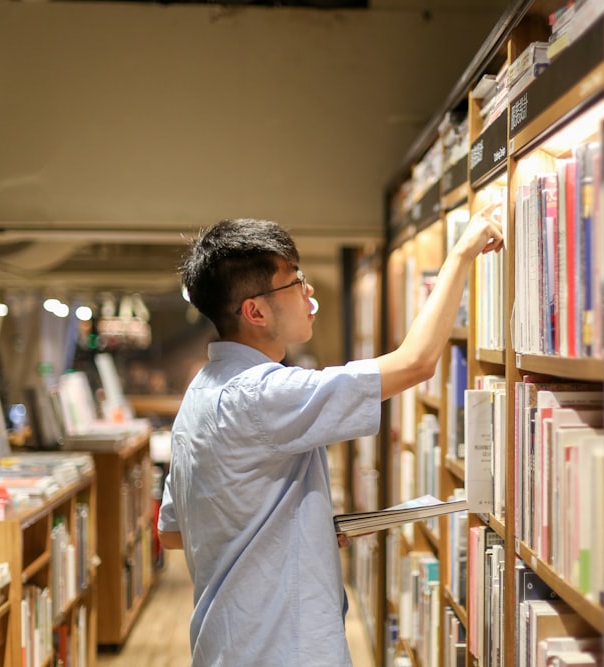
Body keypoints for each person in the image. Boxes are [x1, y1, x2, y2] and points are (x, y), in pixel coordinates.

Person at [157, 213, 503, 666]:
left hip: (227, 644)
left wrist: (299, 531)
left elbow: (174, 533)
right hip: (280, 649)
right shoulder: (262, 394)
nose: (309, 293)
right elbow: (416, 363)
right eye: (296, 282)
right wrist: (461, 253)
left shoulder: (200, 394)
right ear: (255, 310)